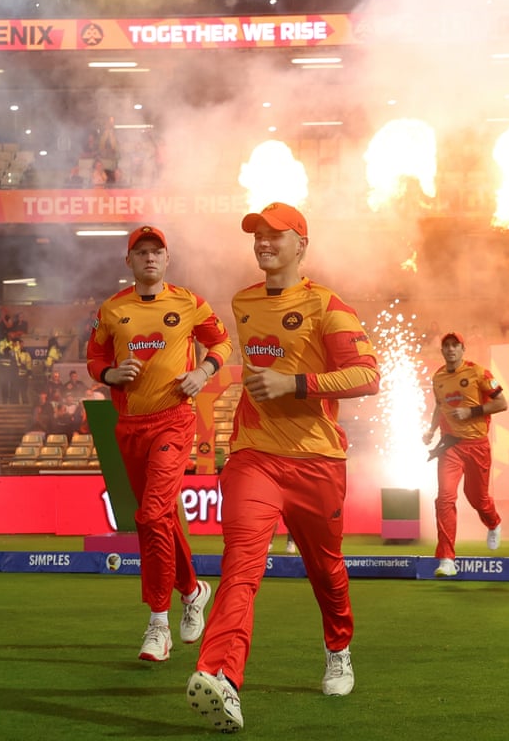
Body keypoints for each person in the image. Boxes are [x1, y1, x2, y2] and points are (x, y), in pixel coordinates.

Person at [187, 201, 380, 731]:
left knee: (327, 572)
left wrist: (295, 384)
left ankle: (338, 647)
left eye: (276, 235)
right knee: (241, 567)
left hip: (317, 460)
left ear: (302, 244)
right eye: (257, 235)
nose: (263, 243)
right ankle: (220, 677)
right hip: (253, 454)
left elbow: (367, 375)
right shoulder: (242, 301)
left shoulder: (329, 306)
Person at [86, 224, 233, 662]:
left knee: (149, 514)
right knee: (161, 516)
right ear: (128, 261)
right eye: (141, 251)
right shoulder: (112, 310)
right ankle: (192, 590)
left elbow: (222, 342)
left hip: (174, 420)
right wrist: (110, 374)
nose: (150, 258)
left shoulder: (189, 302)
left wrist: (204, 373)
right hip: (130, 424)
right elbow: (94, 357)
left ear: (167, 260)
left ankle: (157, 624)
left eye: (157, 251)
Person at [422, 332, 507, 578]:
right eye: (446, 346)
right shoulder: (437, 377)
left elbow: (502, 403)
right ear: (442, 351)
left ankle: (493, 523)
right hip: (450, 446)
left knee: (477, 498)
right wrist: (431, 430)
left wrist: (470, 412)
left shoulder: (479, 373)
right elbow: (439, 407)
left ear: (462, 349)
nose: (450, 350)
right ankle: (447, 559)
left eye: (454, 346)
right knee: (445, 498)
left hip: (477, 445)